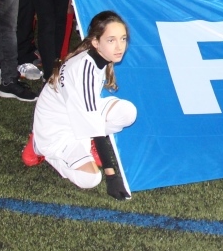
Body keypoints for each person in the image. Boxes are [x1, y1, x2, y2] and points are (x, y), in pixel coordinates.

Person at [22, 10, 137, 200]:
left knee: (128, 113)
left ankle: (86, 144)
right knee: (91, 179)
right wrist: (112, 176)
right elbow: (95, 125)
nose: (120, 46)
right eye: (111, 40)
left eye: (123, 38)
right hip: (57, 130)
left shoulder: (96, 56)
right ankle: (40, 147)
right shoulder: (84, 69)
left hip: (73, 115)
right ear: (95, 42)